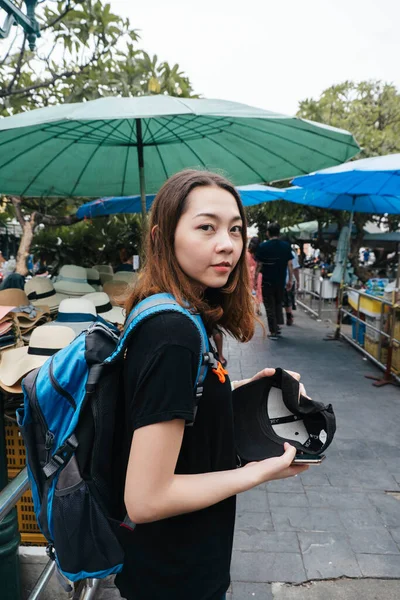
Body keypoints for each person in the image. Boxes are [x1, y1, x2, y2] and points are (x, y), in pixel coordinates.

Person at [114, 170, 308, 600]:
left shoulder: (178, 313)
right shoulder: (172, 332)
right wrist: (258, 472)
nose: (228, 245)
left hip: (178, 556)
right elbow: (145, 500)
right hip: (175, 571)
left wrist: (240, 387)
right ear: (165, 236)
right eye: (207, 227)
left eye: (236, 230)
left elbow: (173, 404)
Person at [254, 223, 293, 340]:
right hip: (280, 280)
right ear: (279, 232)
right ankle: (277, 325)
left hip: (267, 280)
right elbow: (290, 264)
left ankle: (273, 330)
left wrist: (255, 279)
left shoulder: (263, 246)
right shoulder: (286, 246)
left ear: (268, 233)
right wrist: (290, 280)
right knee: (277, 303)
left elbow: (259, 265)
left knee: (269, 305)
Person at [283, 246, 300, 326]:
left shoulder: (277, 252)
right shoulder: (292, 254)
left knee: (279, 301)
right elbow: (295, 269)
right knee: (288, 300)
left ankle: (278, 321)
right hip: (288, 281)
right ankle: (289, 317)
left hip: (278, 280)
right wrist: (298, 280)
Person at [246, 236, 263, 316]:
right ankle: (257, 308)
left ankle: (249, 308)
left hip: (248, 274)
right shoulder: (259, 254)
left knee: (248, 292)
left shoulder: (246, 253)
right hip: (257, 275)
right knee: (257, 291)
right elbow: (260, 265)